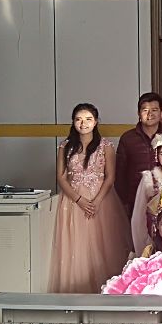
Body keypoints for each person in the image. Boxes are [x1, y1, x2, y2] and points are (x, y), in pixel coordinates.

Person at [49, 103, 131, 293]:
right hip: (72, 202)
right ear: (73, 122)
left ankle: (106, 291)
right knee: (76, 247)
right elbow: (61, 177)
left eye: (88, 119)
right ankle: (78, 293)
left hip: (102, 201)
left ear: (96, 122)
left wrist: (96, 202)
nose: (83, 123)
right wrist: (79, 200)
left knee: (104, 246)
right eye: (78, 119)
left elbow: (110, 177)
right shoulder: (65, 146)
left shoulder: (106, 146)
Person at [115, 92, 162, 216]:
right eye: (145, 110)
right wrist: (124, 202)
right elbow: (119, 174)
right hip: (134, 201)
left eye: (154, 110)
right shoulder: (128, 138)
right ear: (138, 113)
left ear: (161, 112)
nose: (150, 114)